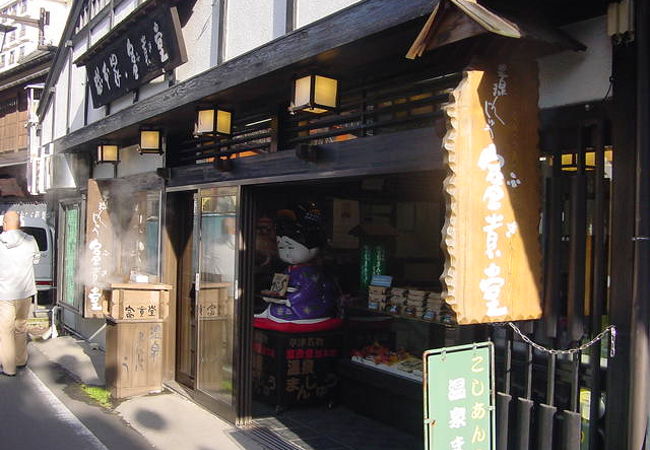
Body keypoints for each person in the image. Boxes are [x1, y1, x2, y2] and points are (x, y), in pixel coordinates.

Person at [0, 211, 40, 376]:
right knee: (20, 327)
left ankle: (9, 368)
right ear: (20, 224)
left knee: (5, 331)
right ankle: (20, 360)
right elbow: (36, 260)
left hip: (5, 293)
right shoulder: (30, 241)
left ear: (4, 224)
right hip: (25, 291)